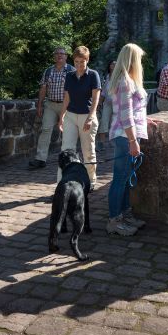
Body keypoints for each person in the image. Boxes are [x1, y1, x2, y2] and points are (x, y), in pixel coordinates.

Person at [106, 43, 150, 236]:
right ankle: (114, 221)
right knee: (120, 179)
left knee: (124, 180)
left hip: (128, 135)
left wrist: (147, 120)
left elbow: (134, 110)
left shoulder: (128, 80)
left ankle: (124, 214)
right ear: (132, 59)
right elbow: (125, 115)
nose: (141, 62)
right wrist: (133, 141)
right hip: (125, 137)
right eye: (139, 58)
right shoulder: (125, 81)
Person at [56, 46, 101, 188]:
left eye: (82, 61)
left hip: (87, 116)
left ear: (87, 60)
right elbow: (67, 98)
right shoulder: (69, 76)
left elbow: (95, 99)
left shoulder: (93, 75)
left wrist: (90, 118)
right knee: (66, 150)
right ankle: (61, 184)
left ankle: (91, 182)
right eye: (76, 61)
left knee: (88, 151)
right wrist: (61, 116)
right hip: (71, 116)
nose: (79, 65)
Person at [29, 47, 74, 169]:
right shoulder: (48, 71)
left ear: (66, 56)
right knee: (45, 130)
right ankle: (40, 159)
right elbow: (43, 89)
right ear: (54, 56)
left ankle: (68, 159)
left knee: (67, 132)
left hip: (67, 106)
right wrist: (39, 105)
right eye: (57, 54)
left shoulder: (71, 71)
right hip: (50, 105)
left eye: (62, 54)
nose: (59, 55)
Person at [96, 60, 116, 150]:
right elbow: (103, 92)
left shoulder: (121, 77)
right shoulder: (107, 77)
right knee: (103, 122)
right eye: (112, 63)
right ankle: (101, 143)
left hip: (117, 105)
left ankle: (115, 143)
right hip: (107, 103)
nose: (113, 65)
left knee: (115, 124)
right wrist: (99, 103)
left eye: (116, 64)